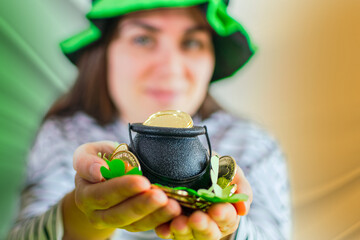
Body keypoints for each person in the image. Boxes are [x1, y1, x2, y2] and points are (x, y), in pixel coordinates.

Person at [7, 0, 291, 239]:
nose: (170, 68)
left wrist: (229, 231)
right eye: (143, 39)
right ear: (105, 53)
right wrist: (80, 217)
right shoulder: (63, 134)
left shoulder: (253, 145)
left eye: (192, 42)